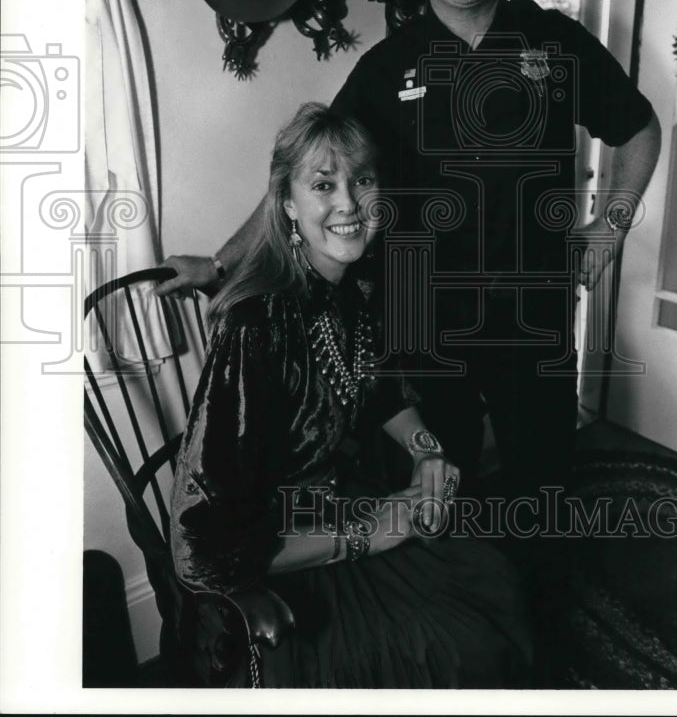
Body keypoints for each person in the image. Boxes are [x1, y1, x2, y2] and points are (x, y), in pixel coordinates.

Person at [158, 0, 661, 524]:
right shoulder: (386, 67)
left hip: (533, 320)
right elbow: (310, 176)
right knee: (436, 499)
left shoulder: (555, 41)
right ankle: (457, 606)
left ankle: (537, 603)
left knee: (544, 493)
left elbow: (640, 131)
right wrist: (222, 261)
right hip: (423, 326)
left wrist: (610, 228)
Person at [170, 102, 532, 688]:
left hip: (340, 496)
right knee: (453, 646)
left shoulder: (350, 287)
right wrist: (376, 530)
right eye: (323, 184)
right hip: (277, 550)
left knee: (493, 580)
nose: (348, 204)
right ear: (287, 203)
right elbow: (201, 542)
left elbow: (379, 387)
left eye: (362, 180)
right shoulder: (255, 323)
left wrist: (426, 449)